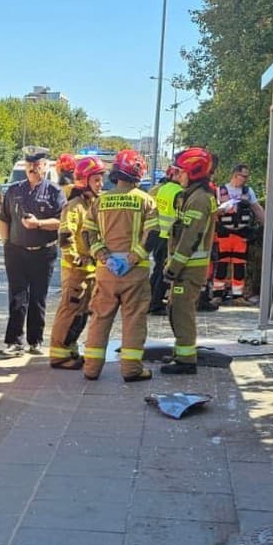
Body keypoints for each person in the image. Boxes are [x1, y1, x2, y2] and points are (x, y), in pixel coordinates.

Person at [80, 149, 158, 383]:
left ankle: (91, 368)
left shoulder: (100, 200)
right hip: (135, 272)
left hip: (106, 271)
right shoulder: (145, 201)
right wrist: (134, 257)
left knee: (100, 318)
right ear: (138, 173)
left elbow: (87, 234)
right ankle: (131, 369)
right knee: (133, 319)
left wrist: (103, 257)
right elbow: (153, 233)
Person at [0, 148, 65, 356]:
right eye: (29, 166)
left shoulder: (54, 192)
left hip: (43, 253)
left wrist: (39, 224)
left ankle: (35, 341)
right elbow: (3, 218)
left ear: (45, 167)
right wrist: (7, 243)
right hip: (16, 251)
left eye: (37, 165)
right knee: (17, 297)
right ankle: (14, 342)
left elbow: (61, 221)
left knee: (38, 298)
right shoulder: (14, 190)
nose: (33, 169)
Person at [161, 147, 218, 376]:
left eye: (181, 171)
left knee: (182, 312)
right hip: (186, 266)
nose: (178, 175)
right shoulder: (193, 196)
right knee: (176, 309)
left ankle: (186, 360)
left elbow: (189, 239)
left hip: (189, 268)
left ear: (193, 172)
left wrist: (173, 267)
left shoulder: (199, 200)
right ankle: (181, 353)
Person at [47, 155, 105, 369]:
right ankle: (59, 355)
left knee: (80, 313)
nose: (100, 184)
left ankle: (69, 349)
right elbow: (65, 236)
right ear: (84, 180)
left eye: (101, 180)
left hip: (89, 270)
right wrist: (76, 259)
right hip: (76, 270)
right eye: (96, 180)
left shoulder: (92, 204)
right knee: (69, 311)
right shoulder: (75, 206)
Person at [212, 163, 265, 302]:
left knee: (239, 264)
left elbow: (257, 209)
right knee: (221, 263)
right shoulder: (220, 191)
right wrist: (222, 210)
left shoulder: (248, 192)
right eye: (244, 176)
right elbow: (212, 213)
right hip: (224, 233)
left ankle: (238, 295)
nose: (246, 179)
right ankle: (218, 294)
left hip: (241, 234)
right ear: (235, 175)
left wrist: (268, 225)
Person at [147, 164, 182, 315]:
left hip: (158, 234)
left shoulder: (161, 189)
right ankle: (156, 303)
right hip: (169, 237)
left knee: (157, 270)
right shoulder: (179, 192)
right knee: (164, 272)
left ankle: (149, 301)